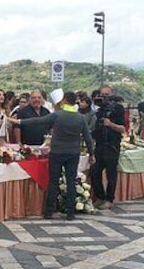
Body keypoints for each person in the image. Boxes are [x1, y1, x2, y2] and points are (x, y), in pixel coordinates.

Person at [11, 90, 94, 220]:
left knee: (53, 181)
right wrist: (91, 154)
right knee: (71, 181)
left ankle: (49, 211)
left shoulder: (57, 115)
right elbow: (88, 138)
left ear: (65, 100)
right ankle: (70, 213)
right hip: (73, 152)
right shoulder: (80, 118)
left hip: (57, 152)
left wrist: (19, 122)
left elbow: (38, 121)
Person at [90, 92, 126, 210]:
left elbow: (122, 129)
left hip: (112, 146)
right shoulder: (99, 112)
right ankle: (100, 196)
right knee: (95, 172)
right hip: (100, 146)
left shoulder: (118, 109)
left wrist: (110, 124)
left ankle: (109, 199)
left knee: (111, 174)